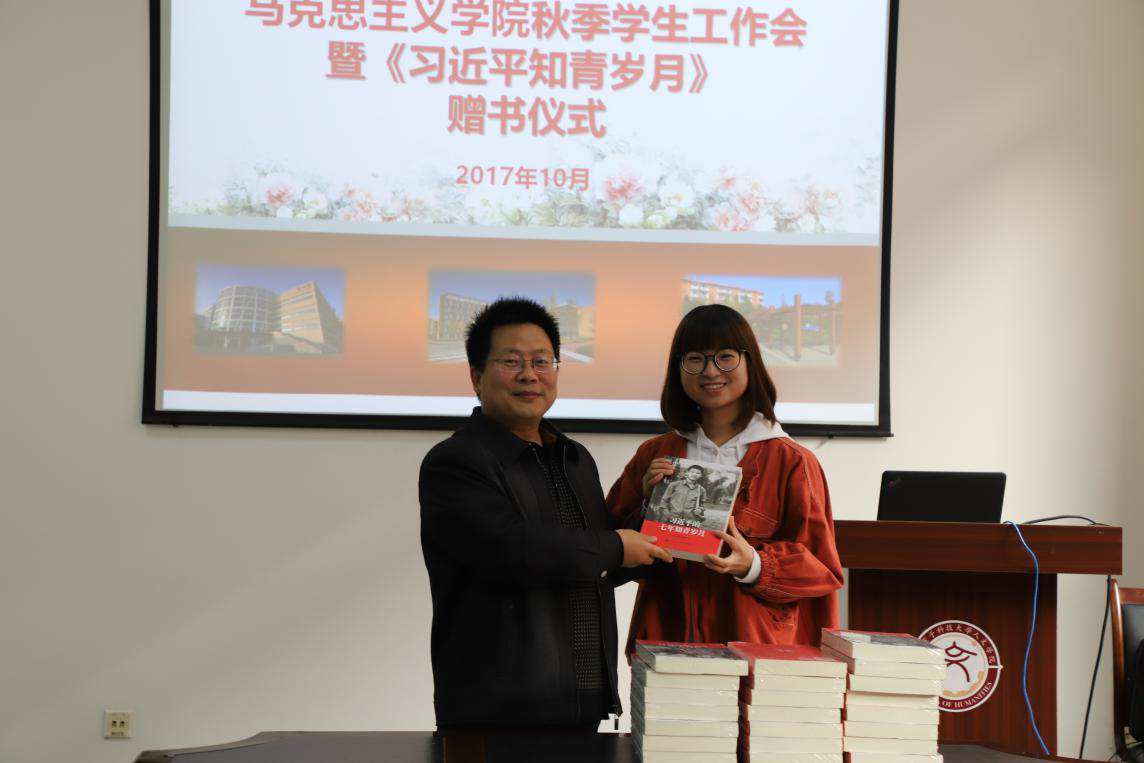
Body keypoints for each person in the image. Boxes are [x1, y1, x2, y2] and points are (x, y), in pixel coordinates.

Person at [419, 297, 671, 731]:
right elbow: (510, 551)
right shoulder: (455, 462)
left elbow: (595, 563)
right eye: (511, 361)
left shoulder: (575, 458)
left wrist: (656, 514)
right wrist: (616, 546)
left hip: (582, 704)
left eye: (542, 361)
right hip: (496, 712)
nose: (529, 375)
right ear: (476, 376)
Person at [605, 304, 844, 651]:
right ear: (678, 368)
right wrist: (645, 507)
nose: (710, 371)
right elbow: (607, 552)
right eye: (695, 359)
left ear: (750, 362)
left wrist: (755, 565)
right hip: (668, 649)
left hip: (757, 653)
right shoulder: (654, 454)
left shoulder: (792, 462)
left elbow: (821, 568)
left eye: (725, 357)